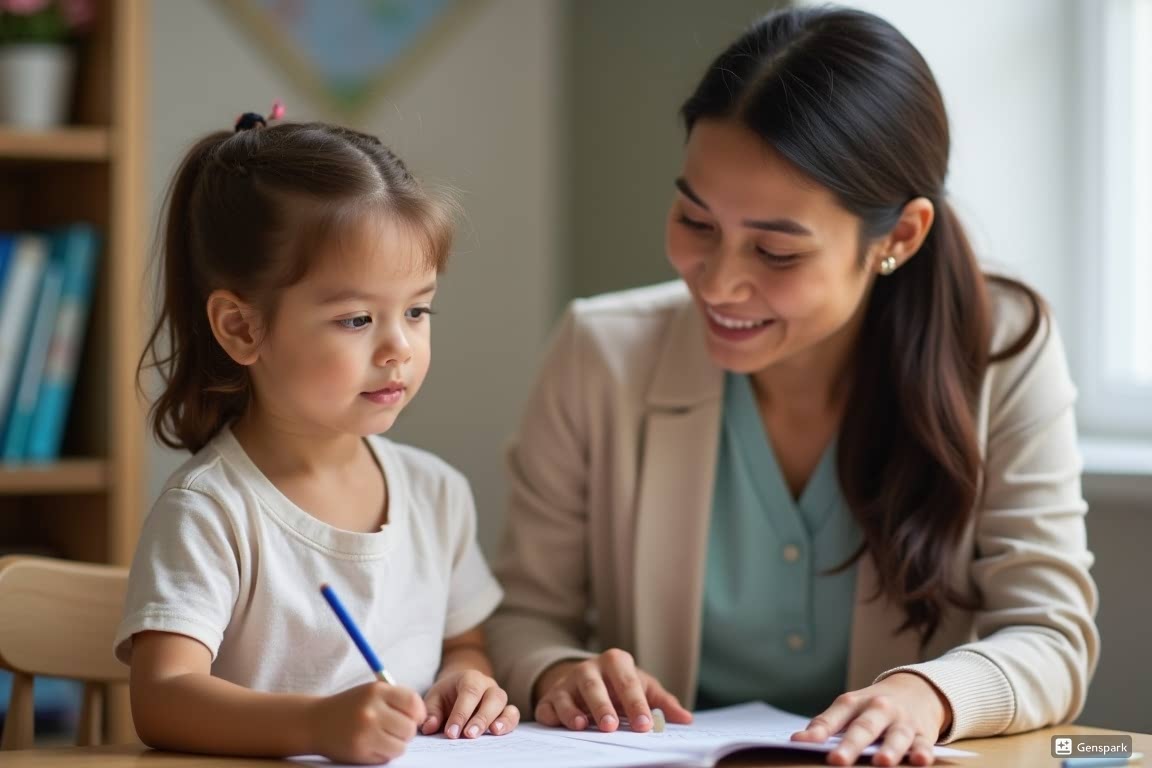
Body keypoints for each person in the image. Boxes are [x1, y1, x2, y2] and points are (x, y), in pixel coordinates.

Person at [487, 7, 1098, 767]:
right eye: (695, 220)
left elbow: (1050, 632)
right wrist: (560, 670)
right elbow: (521, 616)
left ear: (900, 237)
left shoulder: (1002, 353)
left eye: (775, 251)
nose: (717, 282)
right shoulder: (598, 352)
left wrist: (929, 694)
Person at [116, 105, 518, 765]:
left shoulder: (437, 493)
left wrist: (465, 681)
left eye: (417, 310)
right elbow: (163, 697)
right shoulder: (212, 510)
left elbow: (465, 644)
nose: (398, 349)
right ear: (243, 328)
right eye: (358, 319)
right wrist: (315, 726)